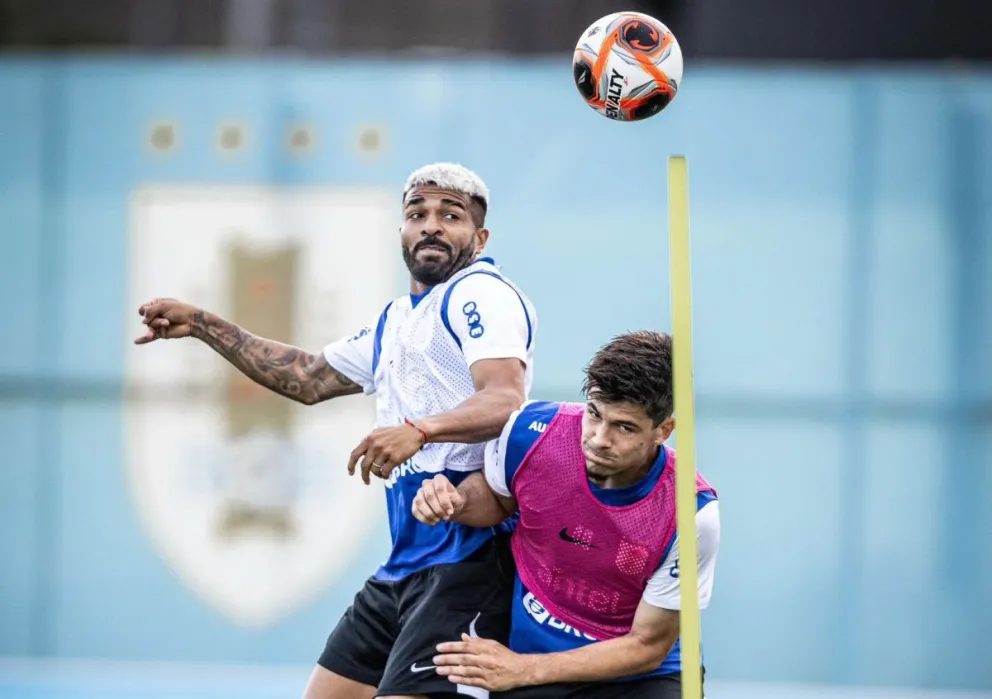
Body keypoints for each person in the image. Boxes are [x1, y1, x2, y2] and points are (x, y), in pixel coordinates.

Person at [134, 163, 538, 699]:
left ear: (480, 237)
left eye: (450, 215)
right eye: (416, 214)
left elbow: (505, 398)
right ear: (401, 232)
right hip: (406, 566)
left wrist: (418, 430)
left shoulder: (479, 292)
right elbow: (306, 377)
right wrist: (204, 324)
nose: (431, 226)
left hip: (468, 561)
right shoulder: (397, 318)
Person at [412, 331, 719, 699]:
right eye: (594, 414)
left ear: (663, 430)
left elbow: (647, 647)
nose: (599, 439)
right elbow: (497, 501)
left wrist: (522, 669)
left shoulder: (691, 513)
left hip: (639, 678)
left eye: (624, 427)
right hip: (529, 660)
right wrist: (456, 501)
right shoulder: (529, 434)